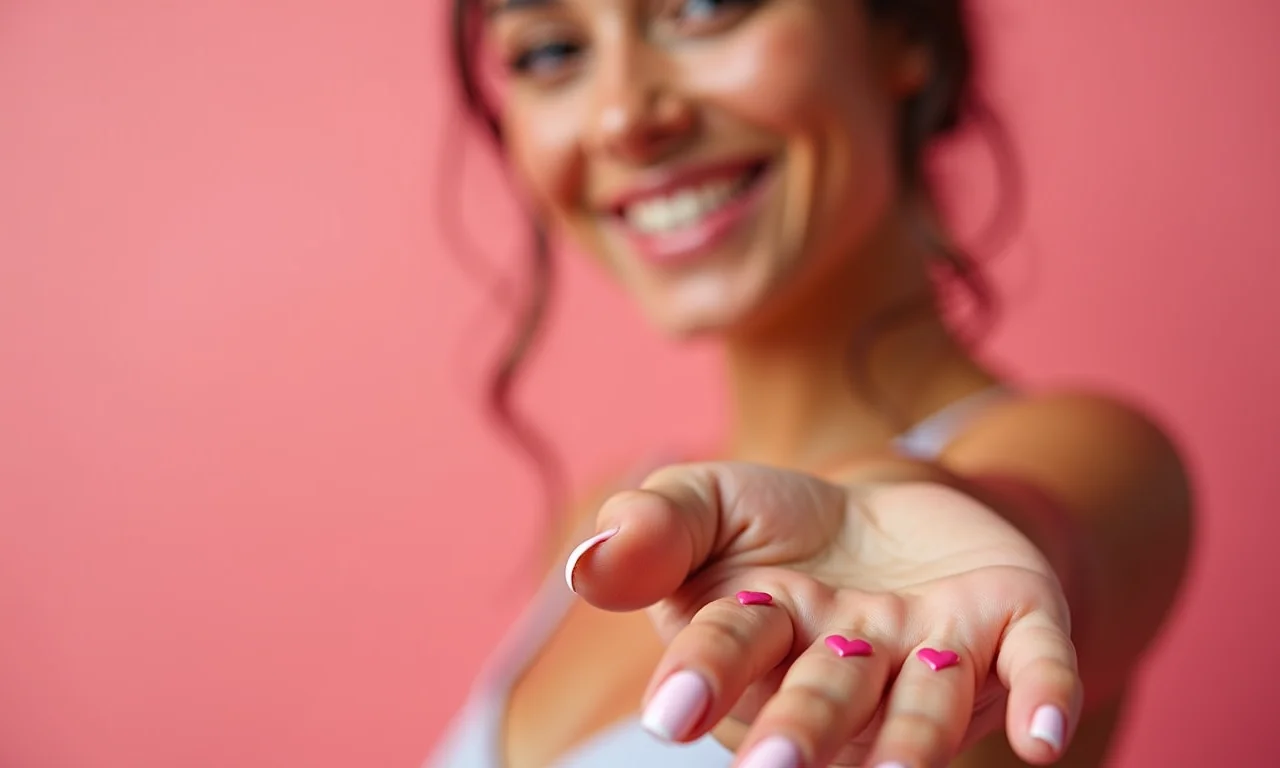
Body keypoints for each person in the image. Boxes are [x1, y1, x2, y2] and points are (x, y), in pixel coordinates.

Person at [429, 1, 1193, 766]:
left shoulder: (1100, 464)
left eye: (703, 7)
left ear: (901, 31)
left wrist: (889, 514)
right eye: (552, 52)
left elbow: (1034, 531)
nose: (623, 116)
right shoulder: (605, 533)